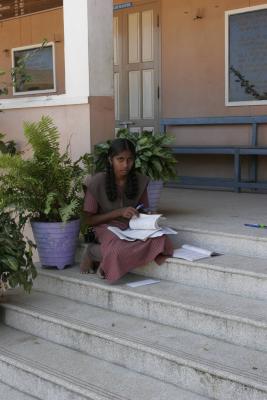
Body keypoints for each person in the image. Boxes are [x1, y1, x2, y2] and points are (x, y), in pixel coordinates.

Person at [80, 138, 173, 283]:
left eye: (130, 160)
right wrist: (118, 212)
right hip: (106, 228)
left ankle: (105, 258)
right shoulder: (97, 181)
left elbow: (143, 210)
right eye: (120, 159)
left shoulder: (140, 180)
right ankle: (92, 252)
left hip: (131, 227)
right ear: (111, 160)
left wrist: (149, 217)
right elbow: (88, 220)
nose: (125, 165)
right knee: (117, 250)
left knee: (162, 241)